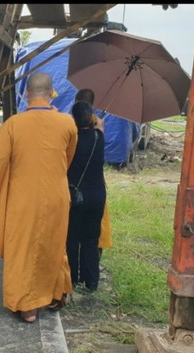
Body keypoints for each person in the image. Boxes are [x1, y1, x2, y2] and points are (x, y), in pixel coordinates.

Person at [0, 72, 77, 323]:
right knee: (53, 244)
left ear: (27, 95)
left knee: (23, 248)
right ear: (52, 94)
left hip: (23, 197)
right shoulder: (67, 122)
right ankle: (55, 293)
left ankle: (28, 306)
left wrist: (9, 181)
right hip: (57, 195)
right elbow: (68, 157)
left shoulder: (13, 124)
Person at [66, 100, 107, 291]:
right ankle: (91, 282)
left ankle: (72, 278)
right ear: (90, 117)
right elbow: (100, 123)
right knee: (91, 240)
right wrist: (95, 117)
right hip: (97, 197)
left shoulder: (71, 140)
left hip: (75, 197)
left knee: (72, 239)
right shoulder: (99, 137)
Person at [74, 88, 113, 254]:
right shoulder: (99, 127)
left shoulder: (70, 125)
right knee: (95, 229)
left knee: (74, 231)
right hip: (96, 185)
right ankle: (94, 257)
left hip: (75, 184)